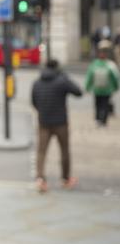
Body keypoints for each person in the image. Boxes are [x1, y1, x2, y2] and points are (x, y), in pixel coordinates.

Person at [30, 59, 83, 192]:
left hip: (43, 122)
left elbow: (34, 101)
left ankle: (40, 179)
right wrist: (65, 77)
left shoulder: (37, 82)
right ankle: (65, 179)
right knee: (64, 151)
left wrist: (42, 112)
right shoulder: (62, 81)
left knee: (41, 151)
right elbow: (78, 92)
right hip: (60, 122)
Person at [85, 39, 119, 126]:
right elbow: (115, 77)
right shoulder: (110, 64)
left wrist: (87, 87)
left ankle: (97, 119)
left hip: (97, 89)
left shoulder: (94, 64)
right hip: (107, 89)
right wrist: (116, 87)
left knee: (97, 104)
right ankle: (104, 120)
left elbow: (90, 76)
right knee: (105, 104)